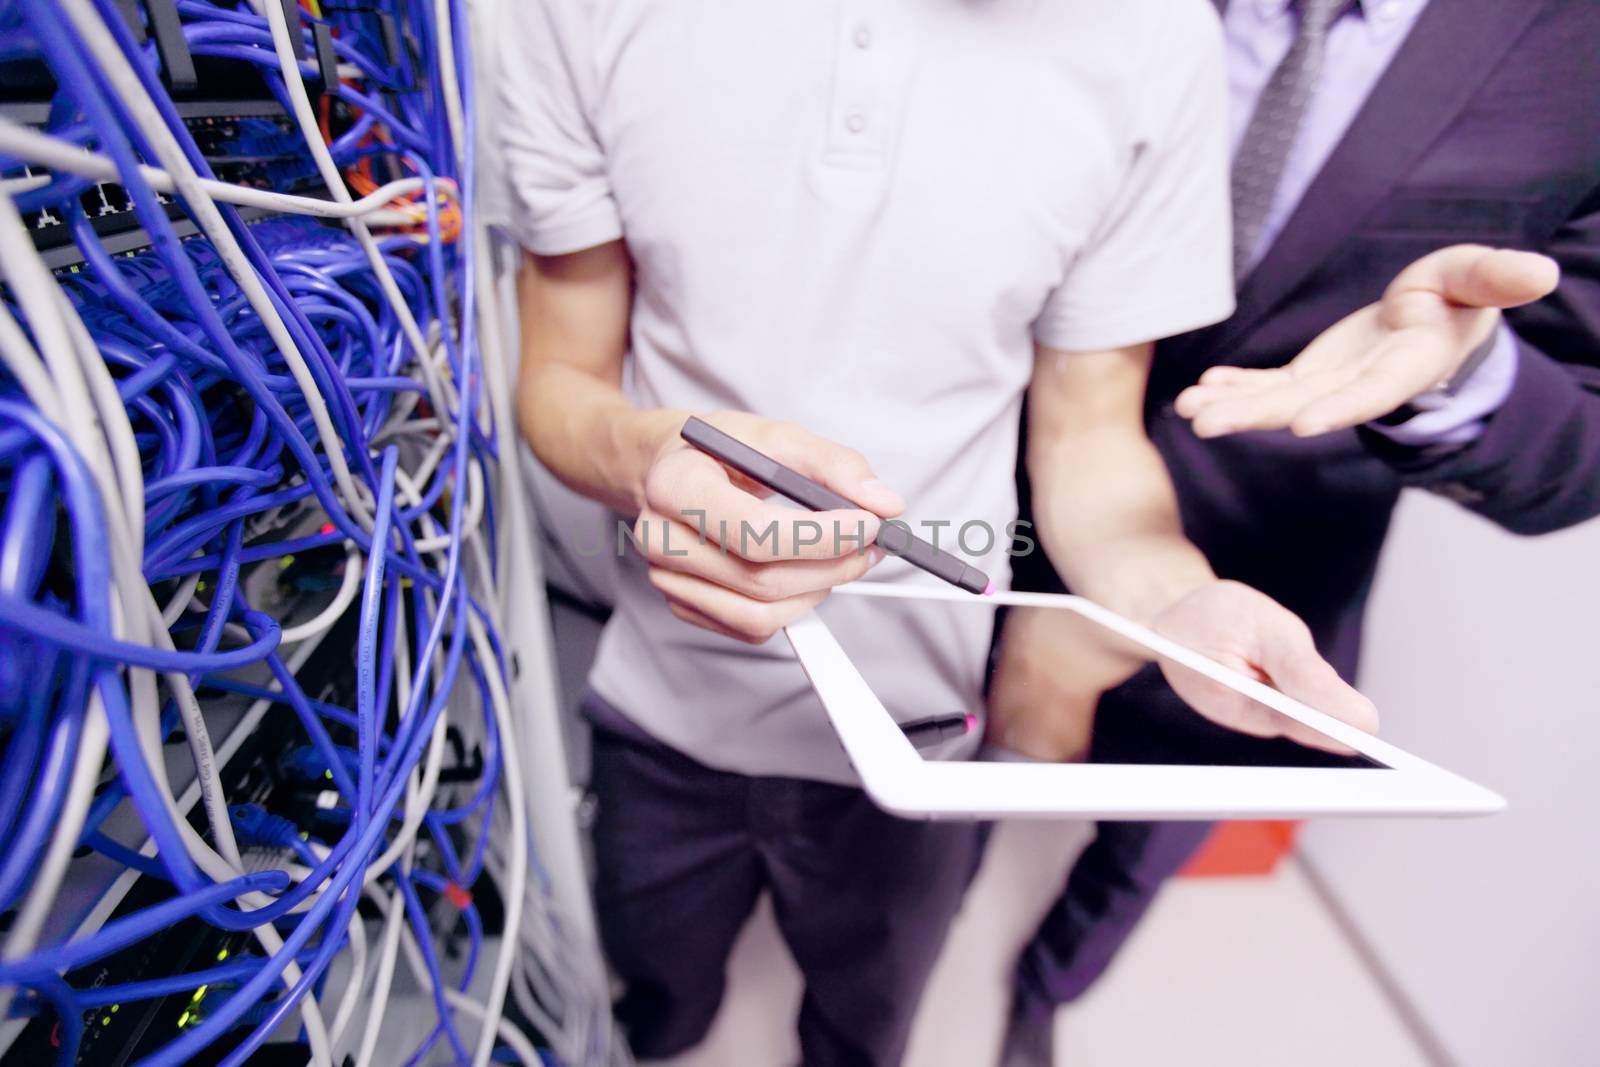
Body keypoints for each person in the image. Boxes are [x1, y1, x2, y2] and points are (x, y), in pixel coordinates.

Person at [496, 1, 1385, 1063]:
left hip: (920, 728)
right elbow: (557, 374)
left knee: (866, 1021)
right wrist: (644, 455)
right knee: (658, 1000)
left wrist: (1167, 601)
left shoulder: (1156, 36)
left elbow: (1087, 440)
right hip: (656, 697)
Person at [991, 1, 1600, 1063]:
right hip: (1008, 487)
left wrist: (1457, 371)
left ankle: (1044, 987)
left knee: (1145, 843)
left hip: (1281, 557)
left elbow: (1576, 451)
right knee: (960, 771)